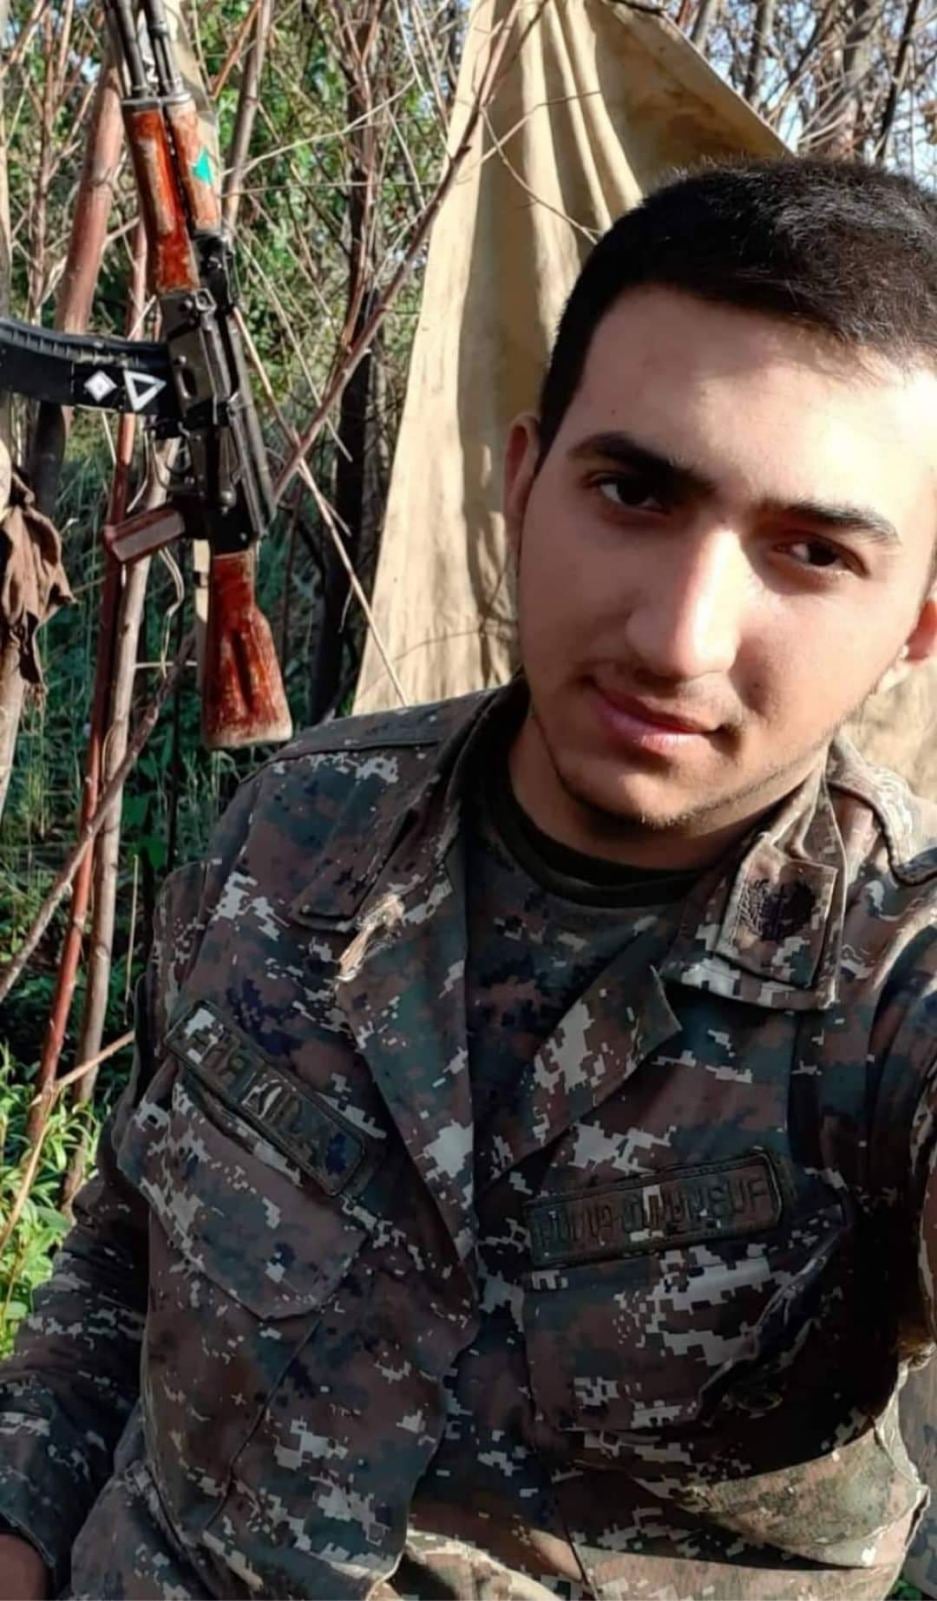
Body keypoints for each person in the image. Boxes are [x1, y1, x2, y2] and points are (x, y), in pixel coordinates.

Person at [2, 155, 937, 1601]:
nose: (678, 638)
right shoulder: (295, 827)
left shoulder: (889, 980)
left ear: (920, 618)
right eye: (632, 490)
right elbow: (129, 1236)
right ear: (520, 479)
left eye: (810, 551)